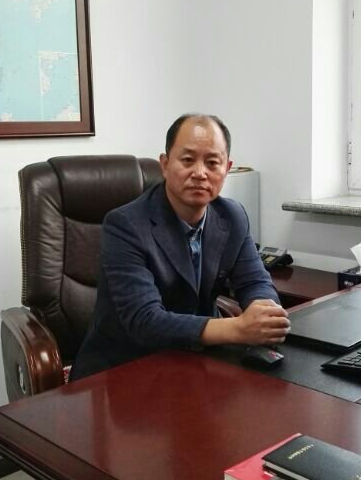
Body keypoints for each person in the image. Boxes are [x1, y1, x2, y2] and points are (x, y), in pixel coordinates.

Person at [70, 113, 290, 380]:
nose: (200, 173)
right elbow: (145, 321)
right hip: (125, 369)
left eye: (212, 162)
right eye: (187, 160)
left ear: (227, 168)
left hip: (197, 363)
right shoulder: (125, 225)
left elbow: (254, 280)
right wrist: (238, 329)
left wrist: (263, 312)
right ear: (165, 164)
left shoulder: (232, 216)